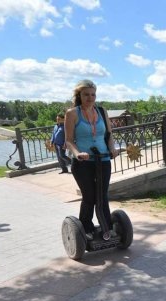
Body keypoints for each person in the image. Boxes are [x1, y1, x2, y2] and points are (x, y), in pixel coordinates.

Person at [64, 79, 119, 235]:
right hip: (83, 162)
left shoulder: (102, 111)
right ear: (79, 95)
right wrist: (77, 153)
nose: (90, 98)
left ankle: (107, 228)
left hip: (103, 159)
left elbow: (108, 135)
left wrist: (112, 149)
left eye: (93, 94)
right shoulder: (72, 113)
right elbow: (68, 140)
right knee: (89, 197)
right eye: (86, 94)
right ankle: (86, 229)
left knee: (102, 196)